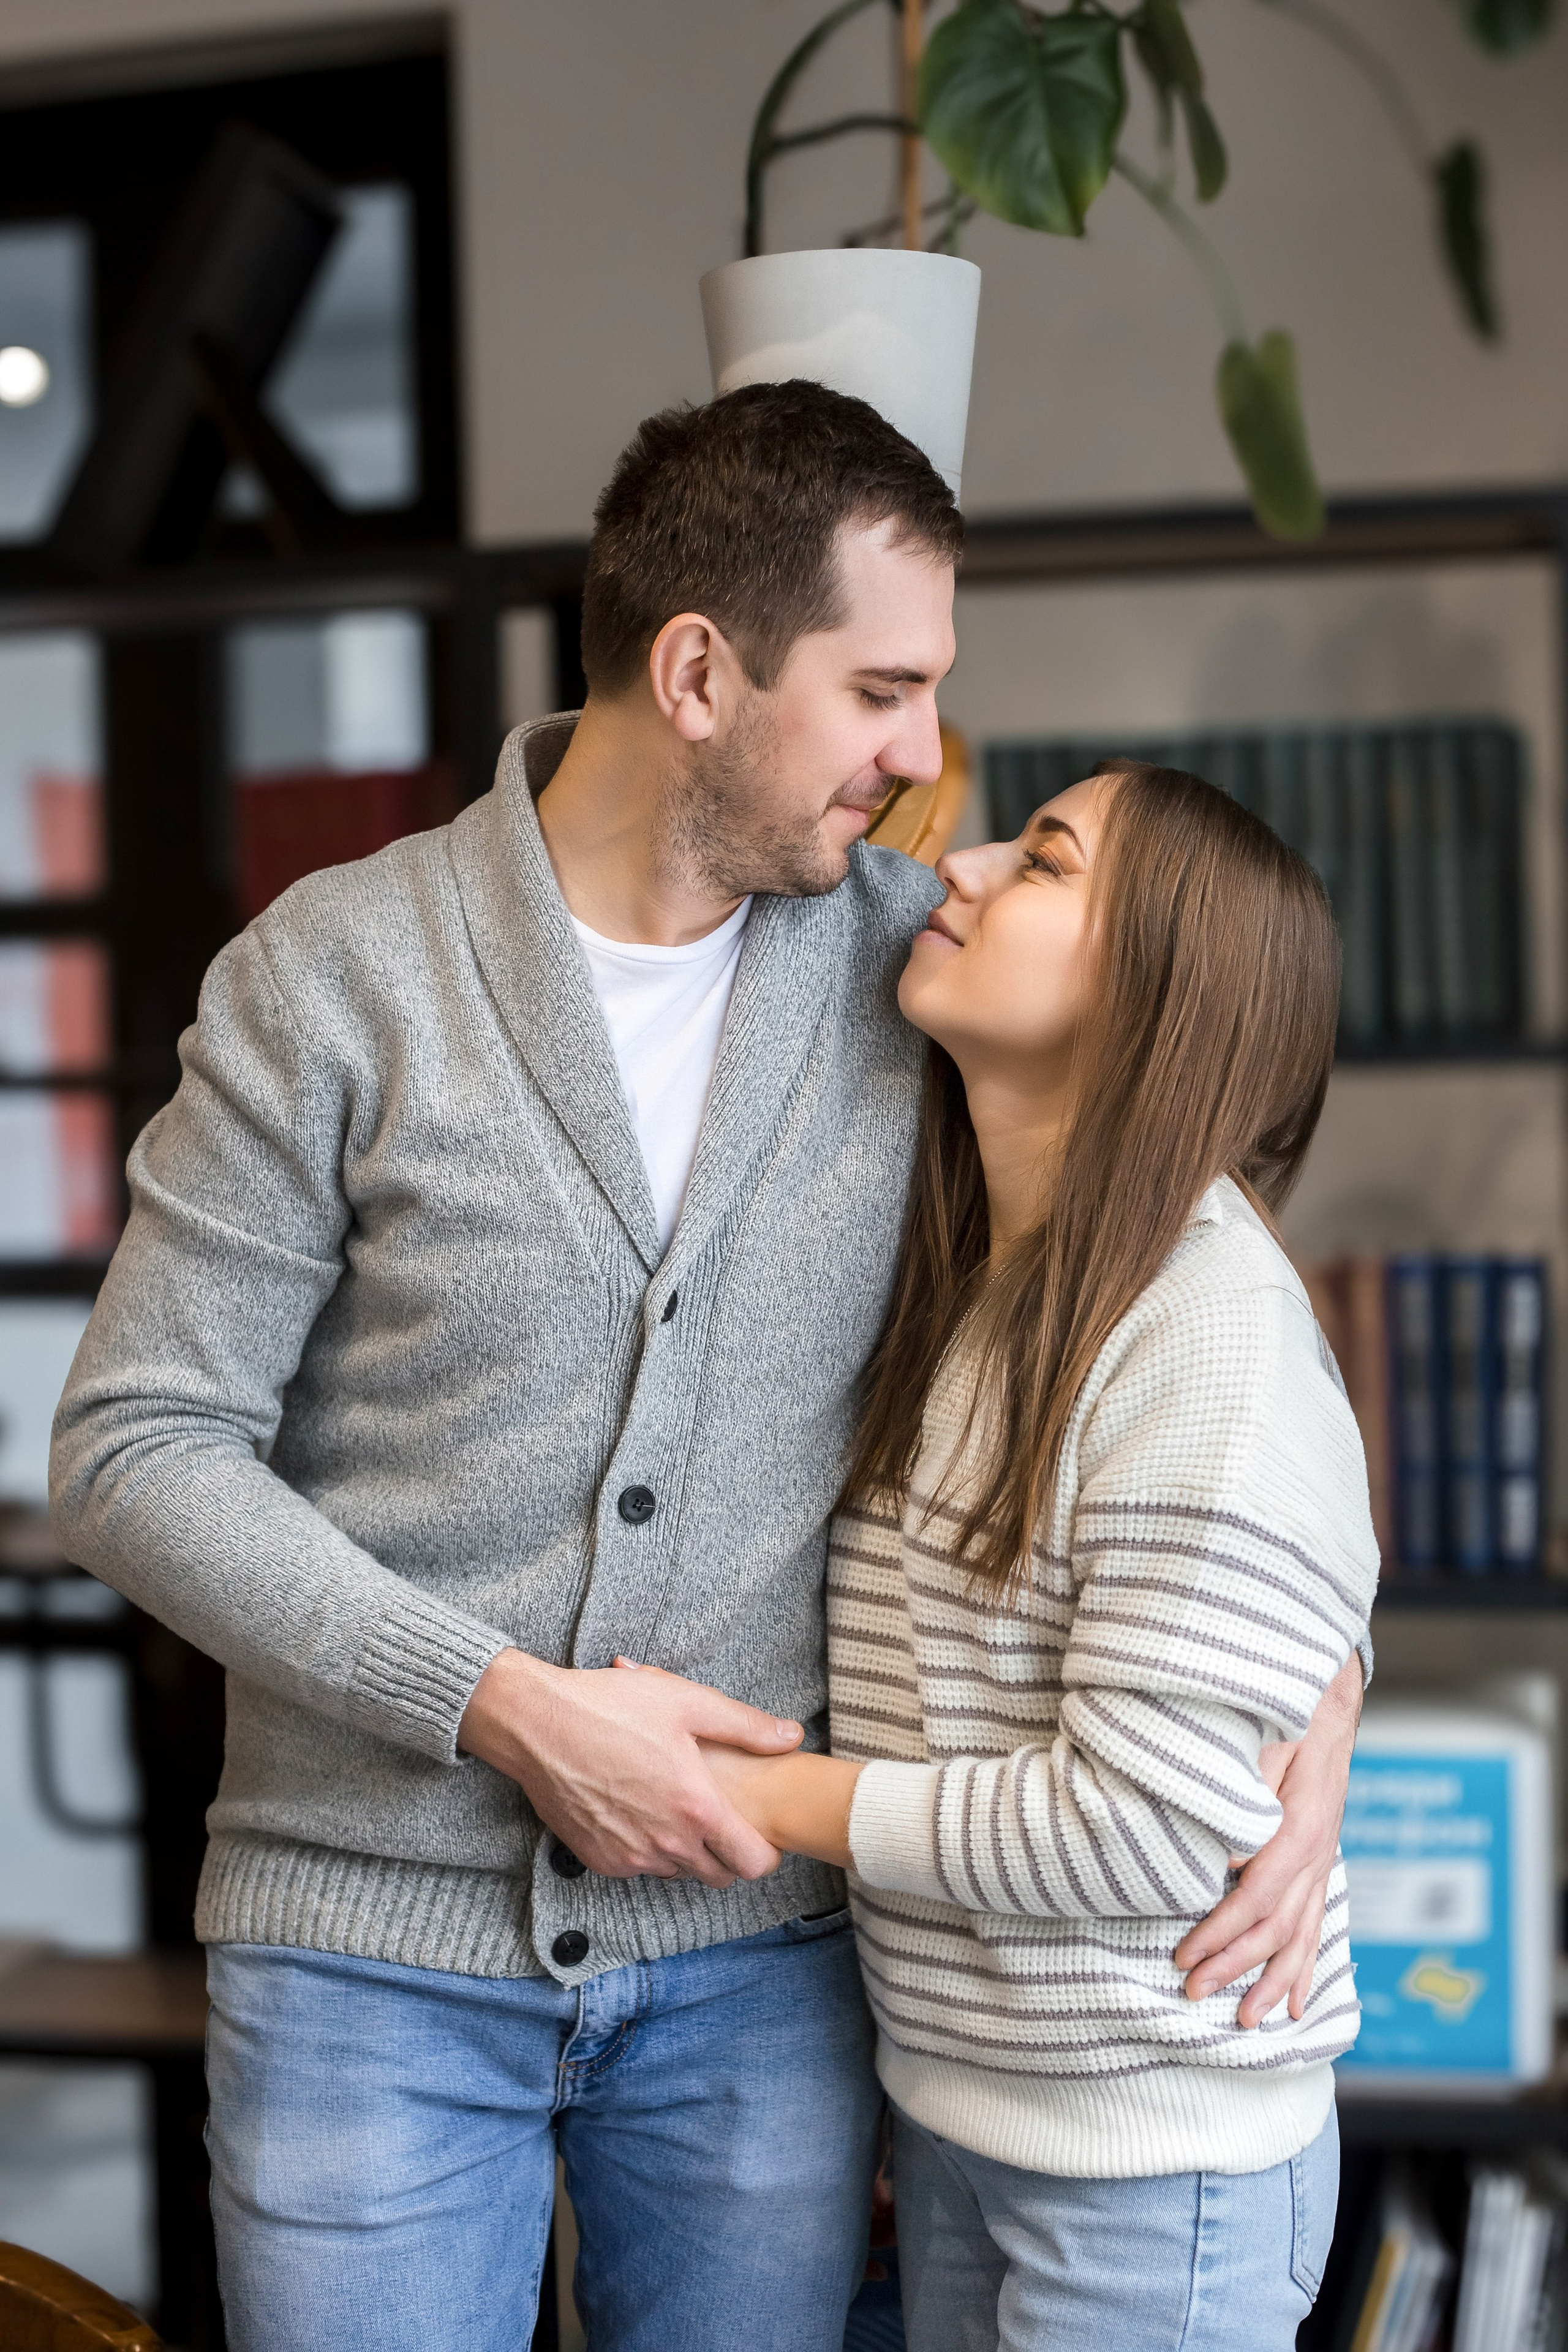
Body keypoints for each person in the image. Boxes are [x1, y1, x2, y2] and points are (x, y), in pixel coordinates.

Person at [50, 386, 1363, 2352]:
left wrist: (1318, 1709)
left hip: (767, 1982)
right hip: (366, 1964)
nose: (927, 768)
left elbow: (1201, 1291)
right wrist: (503, 1707)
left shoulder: (919, 959)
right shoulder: (332, 978)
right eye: (882, 692)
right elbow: (135, 1450)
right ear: (696, 673)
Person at [698, 759, 1379, 2351]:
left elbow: (1142, 1831)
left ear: (1157, 994)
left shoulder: (1207, 1338)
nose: (975, 861)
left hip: (1150, 2168)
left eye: (1050, 860)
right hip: (971, 2112)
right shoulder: (979, 1279)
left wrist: (750, 1796)